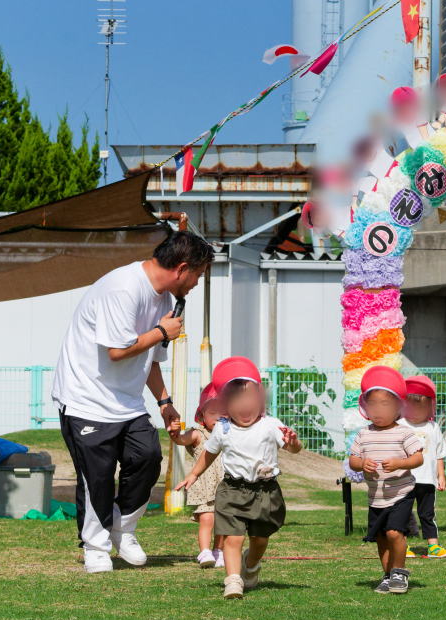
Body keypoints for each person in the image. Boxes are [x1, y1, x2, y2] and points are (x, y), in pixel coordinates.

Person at [52, 231, 214, 573]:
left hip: (127, 402)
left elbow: (150, 359)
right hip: (85, 399)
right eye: (198, 275)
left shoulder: (163, 299)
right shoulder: (123, 288)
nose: (197, 283)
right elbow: (117, 350)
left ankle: (123, 529)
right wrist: (161, 331)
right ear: (182, 269)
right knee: (96, 477)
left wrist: (164, 402)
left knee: (147, 458)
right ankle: (95, 547)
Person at [176, 357, 302, 600]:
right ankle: (233, 580)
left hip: (266, 492)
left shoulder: (270, 425)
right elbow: (208, 454)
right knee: (232, 538)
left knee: (259, 540)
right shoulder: (223, 428)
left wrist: (293, 443)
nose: (244, 406)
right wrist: (193, 475)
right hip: (232, 490)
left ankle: (251, 564)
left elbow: (293, 449)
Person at [348, 366, 424, 594]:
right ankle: (387, 575)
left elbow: (418, 457)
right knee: (381, 537)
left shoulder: (404, 433)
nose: (378, 410)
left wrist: (400, 463)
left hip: (400, 494)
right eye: (373, 405)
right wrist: (362, 464)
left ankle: (400, 572)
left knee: (394, 533)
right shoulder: (364, 434)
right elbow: (353, 460)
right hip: (376, 497)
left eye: (385, 405)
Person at [168, 383, 227, 568]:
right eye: (213, 413)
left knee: (223, 522)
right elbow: (181, 440)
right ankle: (205, 552)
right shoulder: (198, 434)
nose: (218, 417)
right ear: (201, 416)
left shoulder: (229, 434)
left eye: (223, 413)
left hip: (225, 486)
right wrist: (175, 433)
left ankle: (219, 551)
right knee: (207, 518)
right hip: (204, 486)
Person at [399, 375, 446, 559]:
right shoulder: (399, 425)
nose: (415, 414)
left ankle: (434, 547)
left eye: (420, 409)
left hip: (427, 480)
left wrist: (441, 476)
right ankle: (402, 545)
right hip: (404, 479)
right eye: (412, 409)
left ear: (430, 408)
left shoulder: (433, 427)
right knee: (403, 514)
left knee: (427, 514)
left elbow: (439, 454)